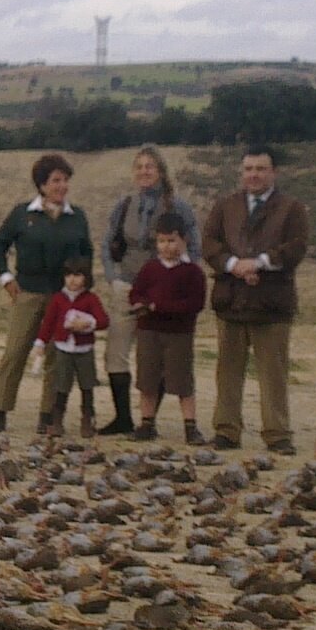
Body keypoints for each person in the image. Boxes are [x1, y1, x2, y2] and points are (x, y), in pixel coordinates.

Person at [199, 147, 310, 453]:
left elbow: (297, 247)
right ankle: (226, 430)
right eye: (249, 169)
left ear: (273, 172)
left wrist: (260, 262)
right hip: (231, 299)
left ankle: (277, 434)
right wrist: (234, 265)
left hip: (271, 303)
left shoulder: (291, 208)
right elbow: (209, 243)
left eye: (260, 169)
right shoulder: (225, 206)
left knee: (273, 372)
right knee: (228, 370)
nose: (254, 175)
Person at [0, 153, 94, 433]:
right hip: (28, 293)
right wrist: (6, 278)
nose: (62, 186)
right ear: (42, 184)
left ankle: (48, 416)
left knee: (56, 358)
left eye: (65, 180)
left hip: (62, 298)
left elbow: (87, 255)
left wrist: (82, 292)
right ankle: (0, 410)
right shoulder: (23, 214)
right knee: (15, 352)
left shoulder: (77, 217)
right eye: (56, 180)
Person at [99, 145, 199, 433]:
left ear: (160, 171)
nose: (144, 172)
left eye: (150, 167)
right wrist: (111, 276)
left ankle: (148, 419)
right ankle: (122, 418)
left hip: (161, 294)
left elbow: (193, 246)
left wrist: (180, 279)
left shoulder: (177, 207)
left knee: (158, 355)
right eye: (139, 166)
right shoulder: (124, 205)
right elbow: (107, 243)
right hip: (126, 286)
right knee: (116, 351)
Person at [125, 212, 207, 444]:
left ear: (184, 240)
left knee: (182, 381)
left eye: (171, 240)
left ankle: (190, 427)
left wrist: (159, 306)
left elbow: (195, 303)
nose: (166, 246)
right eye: (161, 241)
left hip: (179, 333)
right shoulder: (150, 268)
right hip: (148, 331)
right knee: (147, 378)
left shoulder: (193, 272)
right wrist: (139, 304)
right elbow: (135, 293)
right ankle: (147, 423)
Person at [33, 257, 108, 440]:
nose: (72, 280)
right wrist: (41, 343)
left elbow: (103, 321)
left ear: (86, 278)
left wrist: (88, 324)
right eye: (68, 275)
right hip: (63, 349)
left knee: (87, 385)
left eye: (77, 275)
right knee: (61, 385)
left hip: (84, 350)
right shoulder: (58, 299)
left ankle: (87, 419)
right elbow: (48, 324)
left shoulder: (91, 299)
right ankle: (57, 420)